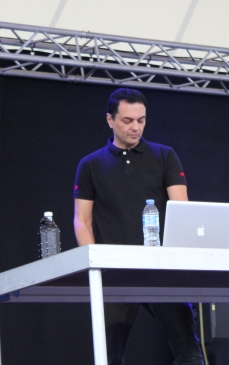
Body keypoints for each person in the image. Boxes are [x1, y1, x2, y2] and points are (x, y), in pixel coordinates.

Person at [73, 88, 204, 365]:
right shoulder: (90, 165)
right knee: (110, 356)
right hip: (114, 271)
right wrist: (96, 266)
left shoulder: (164, 155)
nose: (136, 127)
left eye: (141, 120)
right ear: (110, 120)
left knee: (189, 351)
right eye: (128, 120)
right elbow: (82, 220)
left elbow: (182, 210)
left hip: (160, 270)